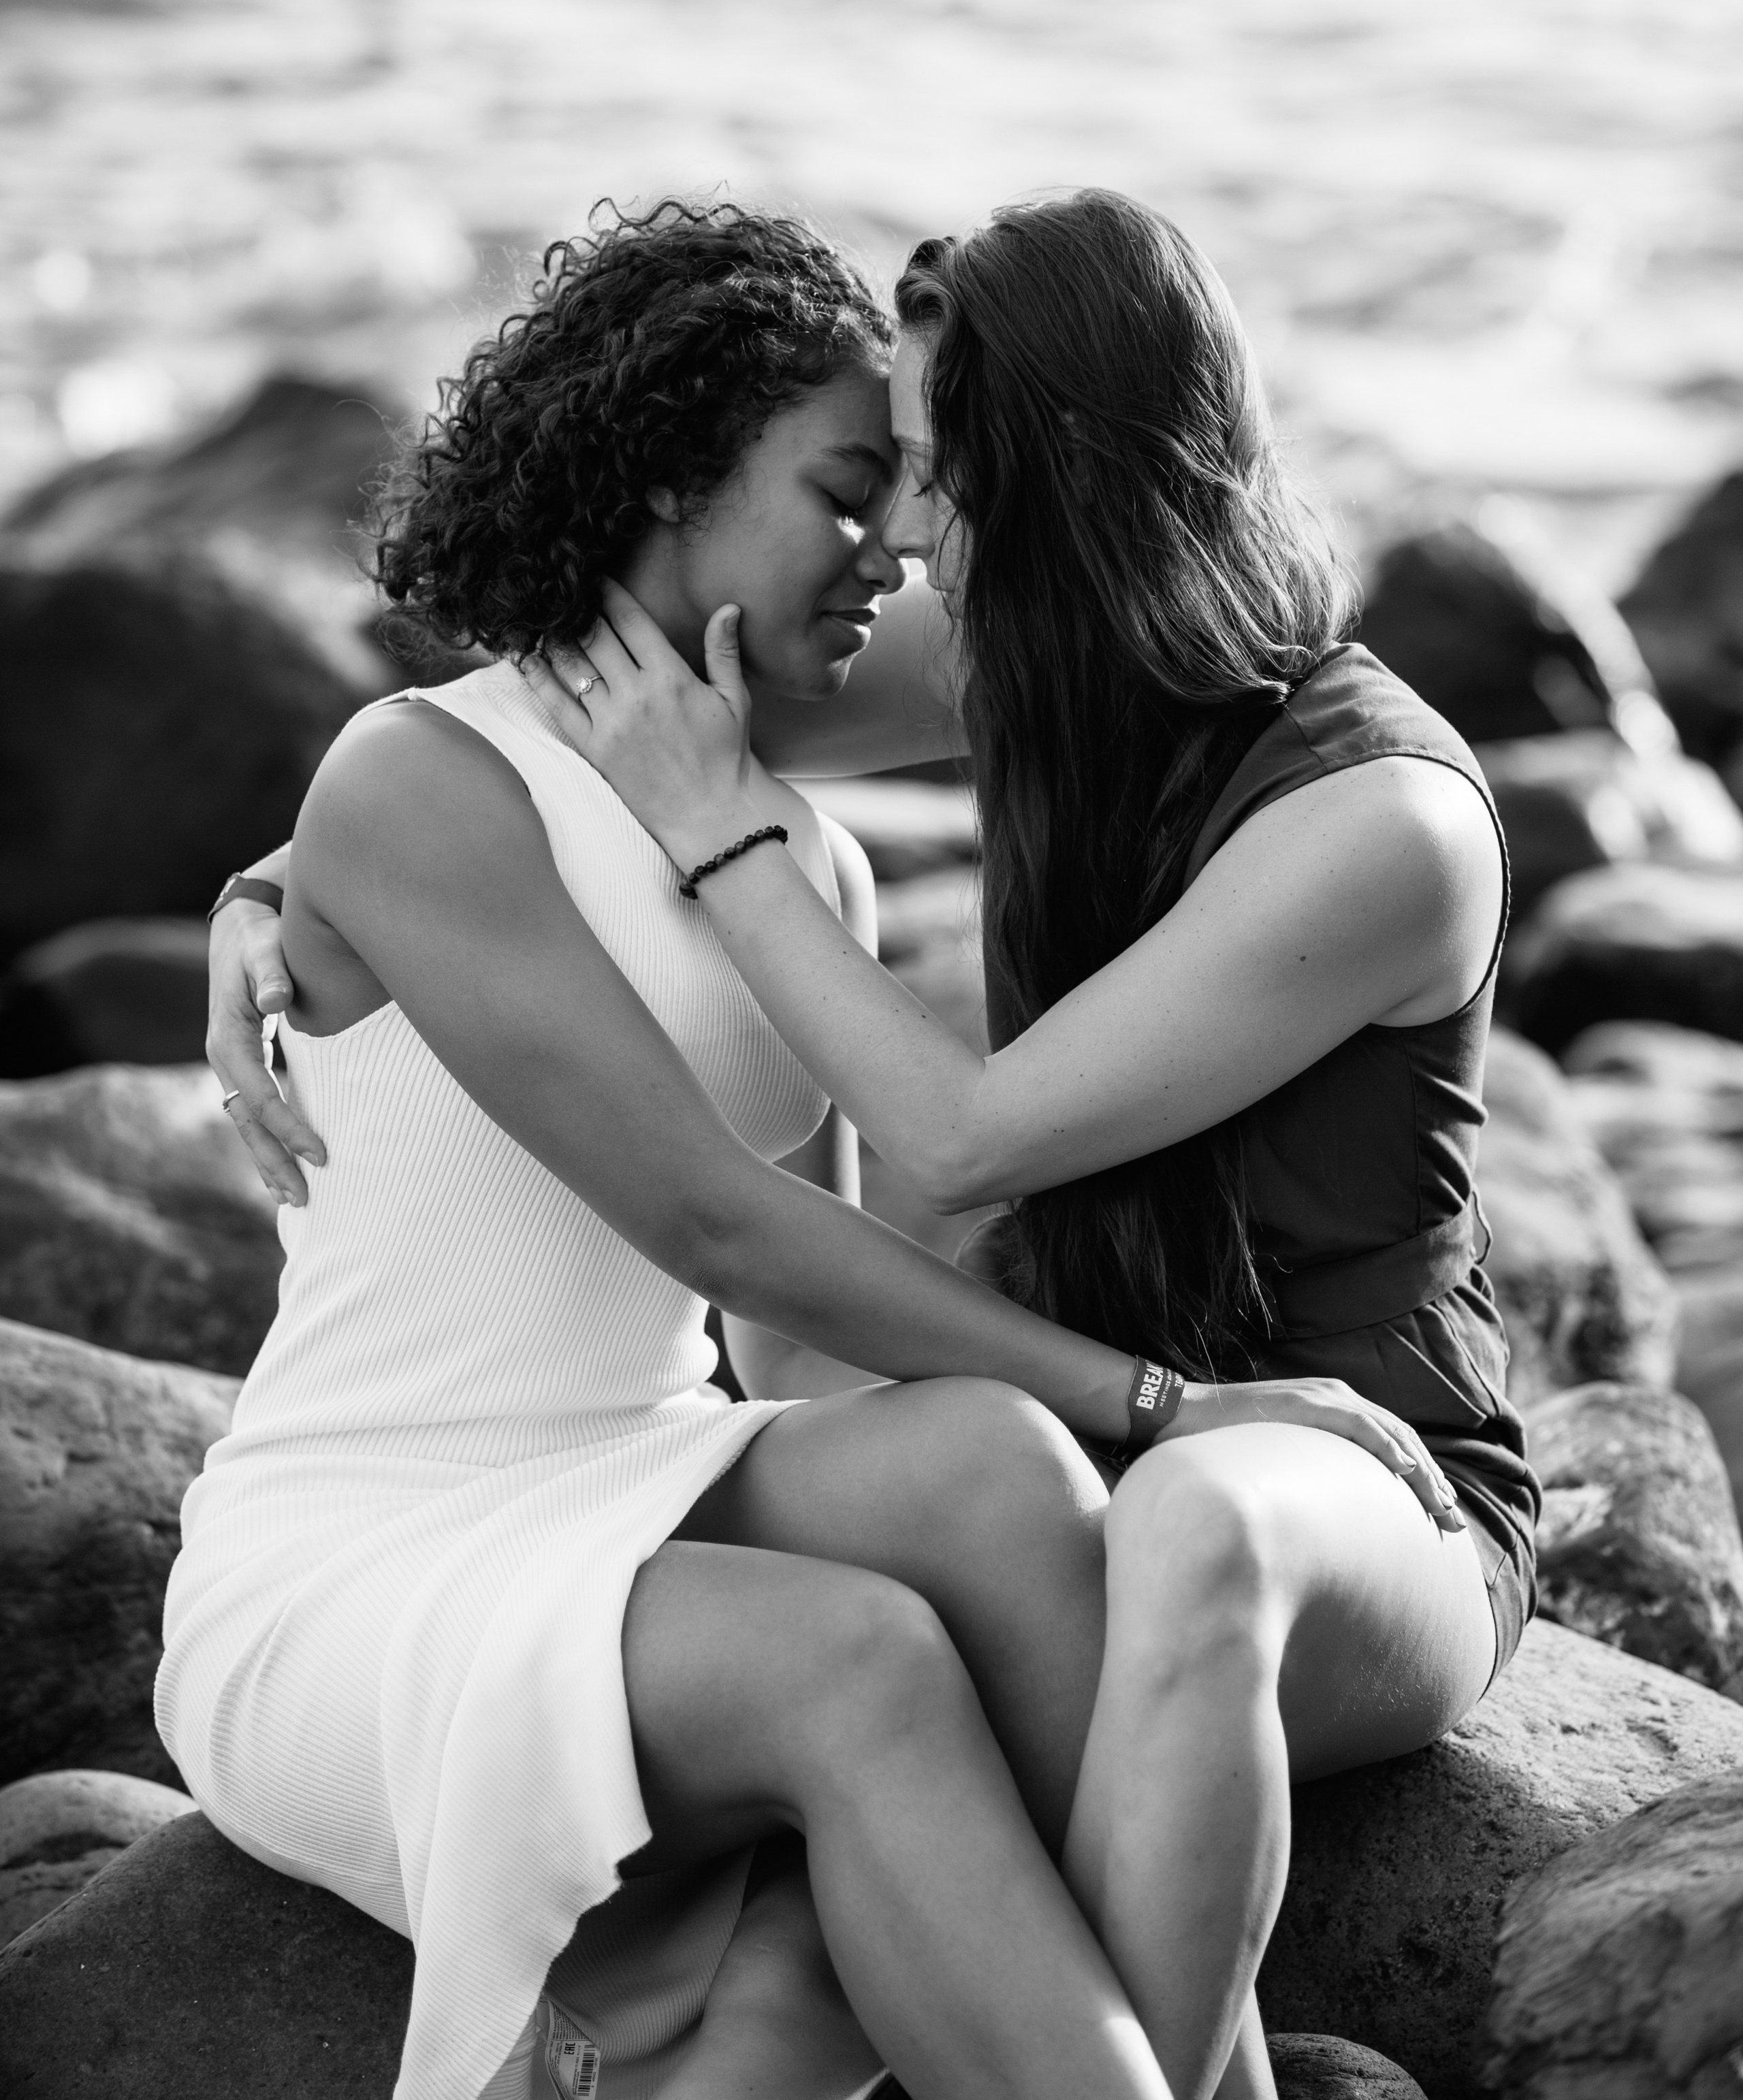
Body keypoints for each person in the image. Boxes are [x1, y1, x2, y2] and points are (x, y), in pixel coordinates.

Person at [204, 197, 1493, 2100]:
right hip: (382, 1529)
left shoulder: (796, 843)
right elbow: (731, 1234)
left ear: (1053, 491)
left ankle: (1123, 2027)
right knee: (864, 1663)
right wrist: (280, 896)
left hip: (658, 1475)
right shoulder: (424, 782)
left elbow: (842, 1281)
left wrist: (1108, 1413)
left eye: (928, 488)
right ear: (666, 480)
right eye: (853, 485)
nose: (900, 542)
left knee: (984, 1465)